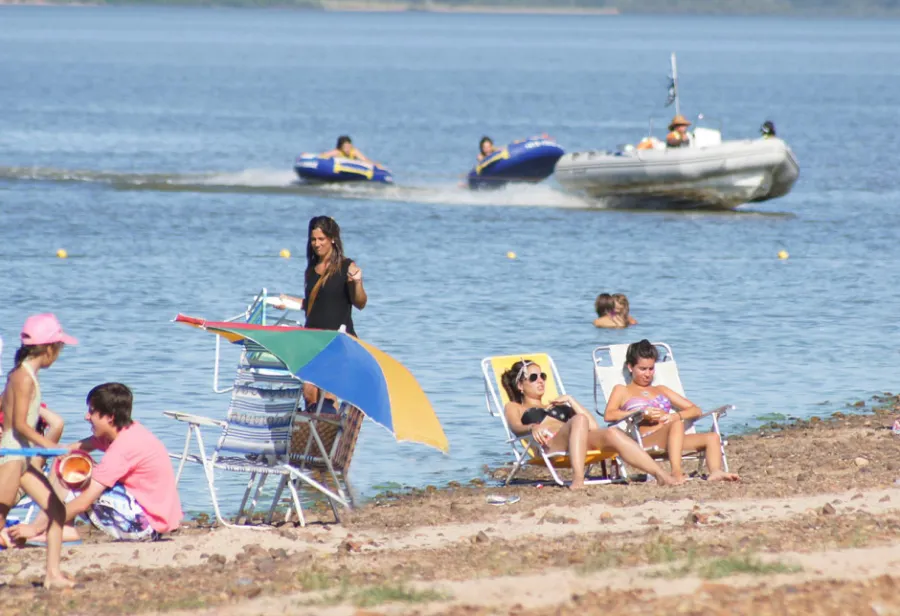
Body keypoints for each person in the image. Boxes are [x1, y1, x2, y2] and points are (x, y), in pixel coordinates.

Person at [10, 383, 183, 544]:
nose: (86, 417)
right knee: (68, 460)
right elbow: (72, 449)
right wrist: (43, 453)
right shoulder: (121, 431)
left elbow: (83, 502)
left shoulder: (124, 447)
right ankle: (62, 529)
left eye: (91, 412)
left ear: (110, 417)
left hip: (146, 526)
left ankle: (39, 527)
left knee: (74, 470)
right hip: (150, 516)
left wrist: (34, 529)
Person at [501, 359, 680, 489]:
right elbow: (515, 426)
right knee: (579, 419)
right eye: (533, 377)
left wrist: (571, 401)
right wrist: (532, 427)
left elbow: (593, 426)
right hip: (550, 445)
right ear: (520, 386)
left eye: (543, 376)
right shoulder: (514, 406)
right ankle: (578, 478)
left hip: (576, 442)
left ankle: (660, 475)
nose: (540, 380)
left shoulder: (556, 403)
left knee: (612, 432)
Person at [0, 313, 76, 588]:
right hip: (13, 454)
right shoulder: (23, 377)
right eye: (59, 349)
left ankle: (52, 575)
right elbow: (20, 424)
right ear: (48, 349)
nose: (58, 355)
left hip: (22, 455)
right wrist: (52, 447)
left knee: (55, 509)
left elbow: (4, 407)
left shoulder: (22, 374)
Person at [603, 340, 739, 483]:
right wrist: (641, 414)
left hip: (673, 439)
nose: (648, 374)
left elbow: (695, 410)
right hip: (646, 440)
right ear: (630, 367)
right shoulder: (622, 390)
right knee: (677, 424)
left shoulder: (661, 390)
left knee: (712, 437)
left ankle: (716, 471)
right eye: (642, 369)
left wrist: (675, 415)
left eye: (651, 369)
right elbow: (609, 415)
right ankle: (676, 472)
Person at [276, 216, 367, 408]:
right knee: (309, 393)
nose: (316, 244)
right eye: (313, 239)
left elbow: (360, 303)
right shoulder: (311, 270)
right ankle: (313, 432)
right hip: (312, 339)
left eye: (321, 239)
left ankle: (328, 432)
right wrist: (288, 302)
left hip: (336, 340)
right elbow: (313, 304)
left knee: (327, 394)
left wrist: (357, 282)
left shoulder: (346, 267)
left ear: (332, 238)